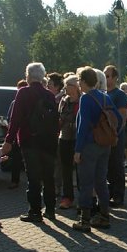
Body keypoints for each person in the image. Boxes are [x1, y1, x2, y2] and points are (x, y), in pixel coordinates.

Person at [1, 62, 59, 223]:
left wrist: (9, 141)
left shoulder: (23, 93)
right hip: (48, 141)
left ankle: (35, 211)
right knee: (48, 176)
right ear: (42, 77)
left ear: (28, 76)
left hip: (29, 140)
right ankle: (51, 209)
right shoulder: (49, 95)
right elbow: (55, 120)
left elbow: (15, 119)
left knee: (33, 177)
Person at [71, 67, 123, 232]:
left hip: (89, 145)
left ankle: (84, 220)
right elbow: (119, 119)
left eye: (79, 81)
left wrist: (78, 150)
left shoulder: (86, 98)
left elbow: (83, 126)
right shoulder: (105, 96)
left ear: (84, 81)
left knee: (86, 183)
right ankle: (104, 216)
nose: (78, 84)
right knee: (101, 181)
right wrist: (109, 133)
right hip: (104, 145)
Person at [103, 65, 127, 208]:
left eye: (108, 76)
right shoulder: (103, 93)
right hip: (104, 136)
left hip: (116, 136)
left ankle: (119, 196)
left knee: (116, 165)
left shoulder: (119, 95)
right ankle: (110, 193)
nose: (106, 78)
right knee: (107, 167)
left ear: (115, 78)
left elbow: (123, 117)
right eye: (104, 75)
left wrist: (116, 135)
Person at [57, 74, 80, 210]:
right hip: (64, 137)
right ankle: (67, 197)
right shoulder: (64, 101)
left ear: (75, 87)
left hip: (78, 138)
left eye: (68, 85)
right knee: (65, 169)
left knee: (80, 169)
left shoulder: (82, 100)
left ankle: (83, 198)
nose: (65, 88)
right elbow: (59, 116)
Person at [6, 79, 28, 189]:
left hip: (23, 134)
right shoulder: (14, 103)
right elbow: (10, 118)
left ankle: (26, 181)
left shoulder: (26, 102)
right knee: (16, 159)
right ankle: (15, 180)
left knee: (25, 159)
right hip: (16, 135)